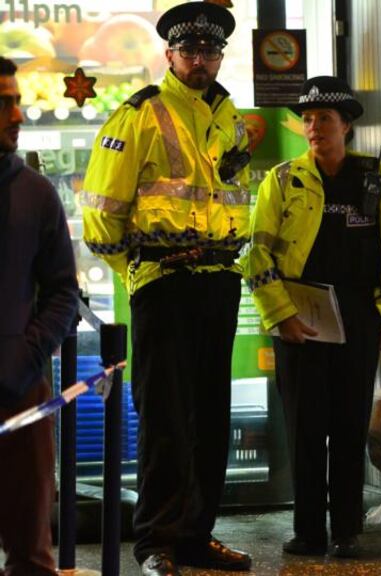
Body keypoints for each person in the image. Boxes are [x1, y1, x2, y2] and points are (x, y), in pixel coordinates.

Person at [81, 2, 252, 575]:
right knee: (165, 420)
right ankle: (156, 542)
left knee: (209, 419)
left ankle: (196, 537)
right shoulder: (139, 115)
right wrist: (137, 262)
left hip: (220, 283)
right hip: (163, 282)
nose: (200, 61)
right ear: (170, 55)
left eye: (210, 52)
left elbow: (232, 195)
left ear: (219, 56)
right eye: (190, 51)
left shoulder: (228, 116)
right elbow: (100, 215)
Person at [245, 76, 381, 558]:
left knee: (348, 428)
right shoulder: (281, 180)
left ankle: (346, 530)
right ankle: (308, 532)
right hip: (298, 319)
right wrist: (280, 315)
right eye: (306, 118)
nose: (313, 127)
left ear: (347, 125)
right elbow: (256, 257)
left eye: (324, 118)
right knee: (305, 430)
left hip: (360, 316)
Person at [0, 55, 78, 576]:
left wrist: (25, 358)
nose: (17, 115)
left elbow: (63, 292)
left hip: (19, 393)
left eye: (17, 101)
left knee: (31, 553)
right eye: (5, 102)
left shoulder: (35, 192)